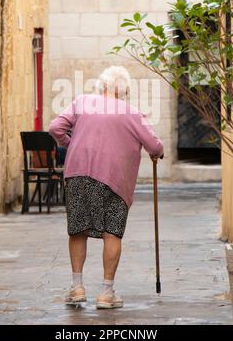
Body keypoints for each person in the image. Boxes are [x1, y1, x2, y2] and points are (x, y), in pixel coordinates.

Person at [49, 66, 164, 309]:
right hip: (114, 179)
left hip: (78, 175)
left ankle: (77, 287)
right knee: (111, 233)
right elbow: (154, 146)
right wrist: (157, 152)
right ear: (123, 92)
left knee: (78, 230)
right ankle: (106, 293)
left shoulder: (82, 102)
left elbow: (55, 128)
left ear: (101, 86)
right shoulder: (132, 114)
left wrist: (70, 145)